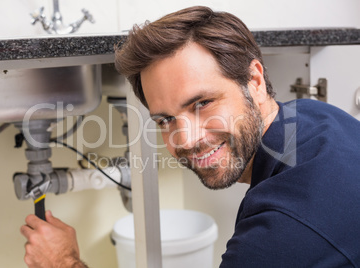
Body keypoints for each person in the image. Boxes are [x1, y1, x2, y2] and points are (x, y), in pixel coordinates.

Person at [21, 6, 360, 268]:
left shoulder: (282, 232)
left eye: (202, 103)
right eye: (166, 119)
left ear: (254, 81)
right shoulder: (314, 117)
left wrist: (63, 262)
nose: (186, 139)